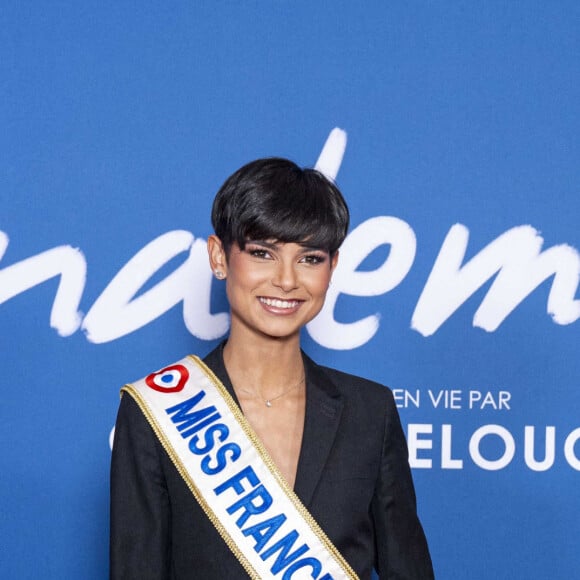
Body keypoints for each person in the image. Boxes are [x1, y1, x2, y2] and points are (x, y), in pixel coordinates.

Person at [110, 158, 434, 579]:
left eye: (310, 259)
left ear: (332, 269)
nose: (286, 280)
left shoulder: (370, 411)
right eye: (263, 253)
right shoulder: (156, 411)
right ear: (219, 256)